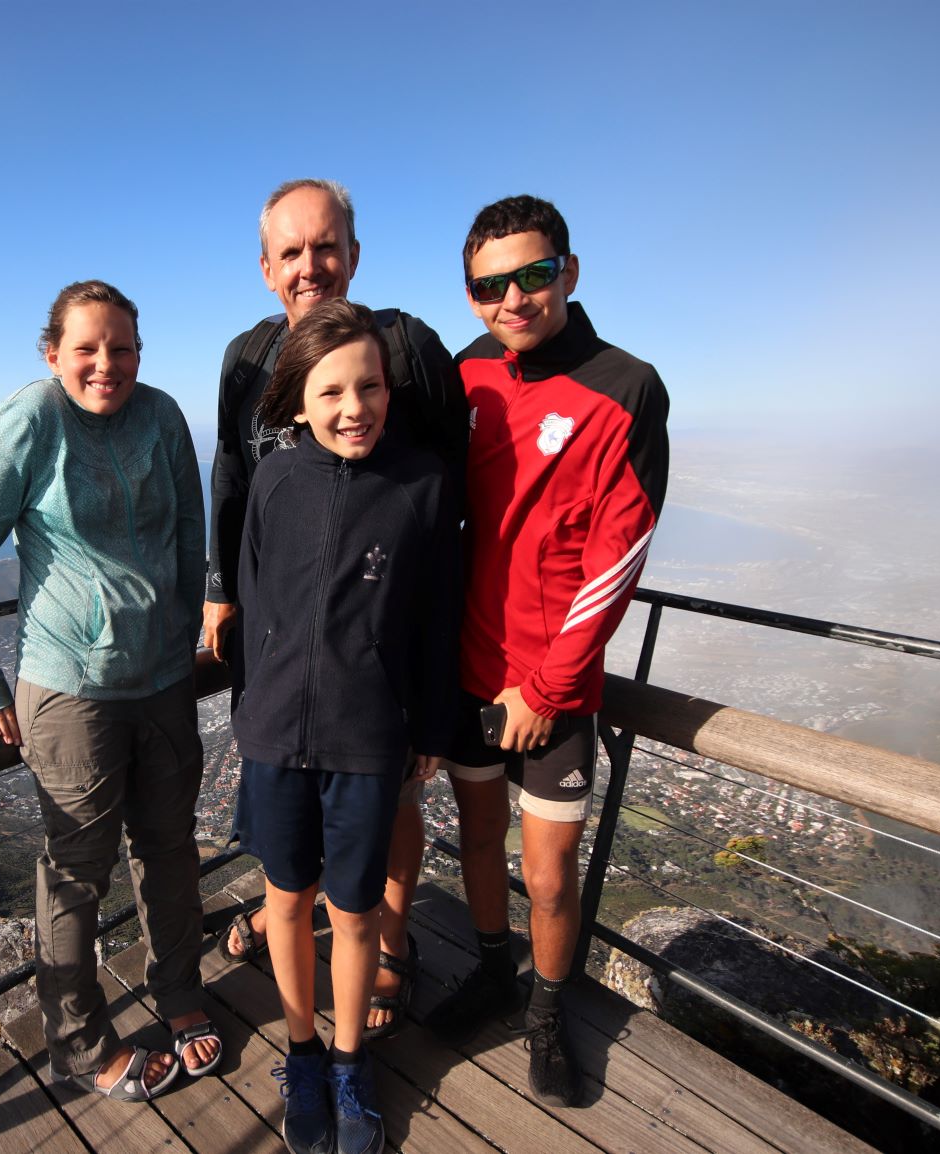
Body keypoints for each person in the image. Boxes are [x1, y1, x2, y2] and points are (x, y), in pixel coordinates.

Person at [0, 280, 220, 1102]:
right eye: (89, 348)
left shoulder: (163, 416)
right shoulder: (31, 419)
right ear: (53, 352)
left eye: (123, 348)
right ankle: (77, 1041)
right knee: (76, 874)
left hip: (164, 679)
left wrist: (187, 625)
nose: (108, 364)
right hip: (70, 688)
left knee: (170, 851)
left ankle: (179, 994)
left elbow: (189, 531)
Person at [206, 178, 467, 1039]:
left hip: (375, 654)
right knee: (295, 828)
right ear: (266, 267)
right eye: (292, 252)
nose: (310, 266)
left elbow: (444, 503)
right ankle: (307, 934)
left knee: (388, 805)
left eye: (326, 248)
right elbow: (234, 482)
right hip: (285, 665)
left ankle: (388, 944)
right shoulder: (248, 360)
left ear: (353, 255)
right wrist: (218, 592)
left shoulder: (406, 346)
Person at [427, 196, 669, 1107]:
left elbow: (621, 554)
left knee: (550, 875)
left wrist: (548, 686)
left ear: (569, 270)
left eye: (532, 275)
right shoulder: (469, 372)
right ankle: (494, 972)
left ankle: (545, 1013)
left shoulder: (627, 386)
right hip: (467, 668)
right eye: (491, 285)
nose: (513, 299)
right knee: (480, 841)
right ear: (472, 293)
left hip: (551, 687)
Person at [235, 299, 459, 1154]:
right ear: (298, 402)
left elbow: (439, 619)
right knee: (286, 902)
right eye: (332, 391)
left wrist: (431, 723)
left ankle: (348, 1060)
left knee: (356, 911)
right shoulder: (274, 480)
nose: (354, 405)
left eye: (370, 386)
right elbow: (256, 599)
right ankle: (301, 1053)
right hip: (275, 736)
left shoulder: (422, 487)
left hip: (370, 736)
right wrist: (253, 708)